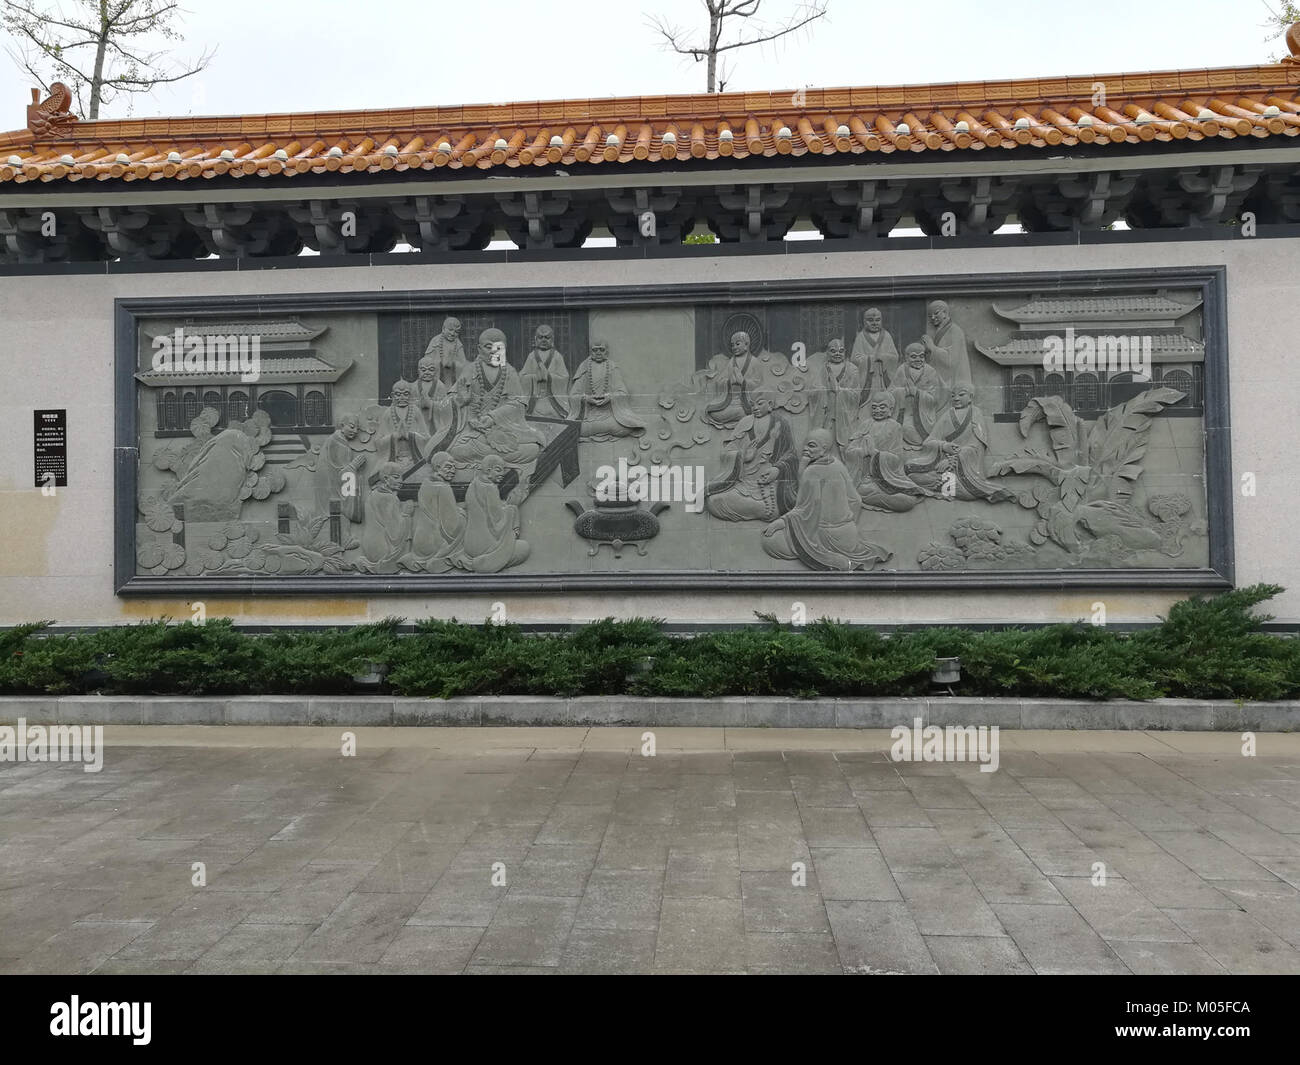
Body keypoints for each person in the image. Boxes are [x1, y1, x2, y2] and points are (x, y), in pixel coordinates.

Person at [761, 429, 892, 571]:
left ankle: (833, 560)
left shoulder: (812, 471)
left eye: (811, 445)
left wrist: (779, 523)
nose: (805, 448)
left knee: (770, 541)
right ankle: (841, 555)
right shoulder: (838, 464)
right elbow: (856, 500)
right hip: (849, 536)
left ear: (823, 449)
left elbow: (804, 510)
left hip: (825, 537)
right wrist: (846, 523)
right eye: (805, 445)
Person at [448, 328, 547, 465]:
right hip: (473, 431)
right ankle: (494, 459)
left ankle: (488, 459)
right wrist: (461, 401)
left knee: (533, 449)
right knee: (455, 450)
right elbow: (449, 402)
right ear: (479, 348)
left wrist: (493, 417)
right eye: (488, 347)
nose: (493, 351)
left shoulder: (509, 371)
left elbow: (518, 404)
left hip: (504, 429)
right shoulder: (470, 369)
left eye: (498, 347)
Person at [905, 385, 1014, 503]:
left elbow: (976, 446)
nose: (956, 398)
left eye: (961, 395)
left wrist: (953, 460)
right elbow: (928, 442)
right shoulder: (948, 415)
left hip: (966, 469)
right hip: (940, 463)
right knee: (910, 468)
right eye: (953, 396)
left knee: (962, 485)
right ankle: (950, 487)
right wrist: (944, 446)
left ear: (970, 397)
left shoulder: (975, 413)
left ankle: (961, 489)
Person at [704, 392, 798, 521]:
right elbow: (726, 453)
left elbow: (790, 455)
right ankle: (764, 510)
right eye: (752, 404)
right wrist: (743, 456)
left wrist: (777, 469)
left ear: (770, 404)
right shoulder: (745, 422)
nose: (755, 407)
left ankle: (768, 508)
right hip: (744, 484)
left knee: (777, 501)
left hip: (769, 485)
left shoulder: (780, 423)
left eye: (760, 403)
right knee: (713, 501)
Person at [845, 391, 929, 512]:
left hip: (890, 477)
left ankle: (866, 496)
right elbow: (849, 452)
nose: (877, 410)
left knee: (908, 500)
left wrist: (876, 454)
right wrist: (862, 452)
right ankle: (863, 495)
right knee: (902, 502)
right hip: (866, 478)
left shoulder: (895, 427)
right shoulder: (865, 425)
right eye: (874, 407)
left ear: (890, 408)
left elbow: (897, 459)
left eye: (882, 406)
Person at [699, 330, 790, 428]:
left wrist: (743, 382)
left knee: (754, 410)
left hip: (747, 402)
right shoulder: (731, 362)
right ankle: (745, 418)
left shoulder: (755, 362)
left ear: (746, 345)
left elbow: (759, 384)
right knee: (711, 412)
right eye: (732, 345)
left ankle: (746, 417)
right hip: (730, 401)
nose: (734, 347)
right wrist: (729, 382)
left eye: (737, 344)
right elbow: (719, 381)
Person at [458, 453, 530, 572]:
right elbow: (497, 520)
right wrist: (513, 509)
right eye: (498, 470)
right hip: (485, 546)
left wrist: (502, 505)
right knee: (524, 548)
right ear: (488, 470)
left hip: (469, 545)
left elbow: (488, 511)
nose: (502, 474)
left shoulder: (474, 484)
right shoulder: (490, 488)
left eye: (503, 470)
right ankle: (486, 562)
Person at [568, 338, 647, 440]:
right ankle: (599, 430)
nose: (598, 353)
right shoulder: (584, 367)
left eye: (601, 349)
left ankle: (596, 431)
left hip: (609, 415)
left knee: (625, 427)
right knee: (575, 428)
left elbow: (623, 393)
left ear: (607, 351)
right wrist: (587, 399)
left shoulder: (612, 367)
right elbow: (573, 395)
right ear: (590, 351)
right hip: (589, 417)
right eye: (595, 350)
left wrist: (610, 398)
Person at [408, 451, 465, 571]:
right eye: (448, 467)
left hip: (418, 543)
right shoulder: (444, 487)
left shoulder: (426, 483)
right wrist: (462, 515)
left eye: (454, 468)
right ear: (438, 467)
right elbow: (450, 527)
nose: (453, 471)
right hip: (434, 544)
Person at [805, 337, 862, 454]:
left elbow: (856, 394)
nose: (837, 354)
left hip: (844, 415)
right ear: (827, 353)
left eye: (841, 351)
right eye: (833, 351)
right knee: (825, 441)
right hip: (827, 413)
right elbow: (813, 390)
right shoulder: (822, 369)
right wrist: (822, 392)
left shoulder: (852, 369)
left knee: (845, 445)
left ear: (845, 352)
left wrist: (839, 391)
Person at [889, 342, 945, 448]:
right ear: (906, 357)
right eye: (914, 356)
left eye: (921, 356)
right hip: (902, 412)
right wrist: (903, 391)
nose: (918, 359)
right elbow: (891, 391)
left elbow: (935, 399)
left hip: (923, 416)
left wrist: (917, 393)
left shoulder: (930, 371)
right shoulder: (902, 369)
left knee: (908, 430)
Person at [359, 461, 414, 570]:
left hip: (369, 549)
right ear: (386, 478)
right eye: (396, 477)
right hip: (382, 551)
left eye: (401, 477)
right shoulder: (388, 498)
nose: (401, 481)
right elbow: (395, 535)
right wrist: (407, 515)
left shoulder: (373, 494)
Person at [520, 324, 570, 417]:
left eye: (547, 337)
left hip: (552, 400)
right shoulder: (531, 356)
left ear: (552, 339)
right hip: (535, 399)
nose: (543, 340)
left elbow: (564, 378)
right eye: (540, 337)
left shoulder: (557, 356)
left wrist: (548, 377)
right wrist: (535, 377)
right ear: (535, 339)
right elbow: (522, 377)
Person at [850, 307, 899, 401]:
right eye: (870, 320)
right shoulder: (860, 337)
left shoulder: (887, 336)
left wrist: (883, 357)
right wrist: (870, 359)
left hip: (882, 376)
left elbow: (895, 357)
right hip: (867, 377)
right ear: (864, 322)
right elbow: (854, 359)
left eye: (877, 320)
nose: (874, 323)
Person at [922, 300, 973, 391]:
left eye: (936, 313)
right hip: (941, 382)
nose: (933, 317)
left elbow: (951, 361)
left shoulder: (955, 331)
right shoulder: (939, 332)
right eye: (930, 316)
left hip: (953, 382)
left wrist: (932, 347)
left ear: (945, 312)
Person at [422, 316, 467, 389]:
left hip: (451, 378)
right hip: (437, 377)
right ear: (443, 329)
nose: (453, 333)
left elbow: (463, 365)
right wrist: (440, 363)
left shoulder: (458, 344)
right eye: (450, 330)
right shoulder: (435, 341)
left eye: (456, 332)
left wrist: (453, 363)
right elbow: (426, 361)